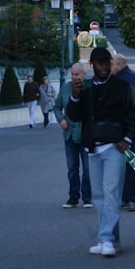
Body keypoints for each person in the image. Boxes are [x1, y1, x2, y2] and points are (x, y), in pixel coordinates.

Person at [66, 47, 135, 257]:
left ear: (110, 64)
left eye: (106, 62)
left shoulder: (123, 87)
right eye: (99, 63)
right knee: (99, 196)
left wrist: (127, 139)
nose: (103, 66)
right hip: (93, 147)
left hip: (114, 148)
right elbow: (73, 116)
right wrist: (74, 96)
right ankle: (111, 238)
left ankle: (106, 239)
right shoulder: (86, 90)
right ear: (92, 65)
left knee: (110, 194)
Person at [54, 63, 92, 209]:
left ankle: (87, 198)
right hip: (69, 134)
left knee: (88, 169)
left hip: (86, 134)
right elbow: (57, 106)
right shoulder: (65, 88)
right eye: (72, 74)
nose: (74, 77)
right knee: (72, 168)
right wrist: (61, 119)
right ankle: (73, 197)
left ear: (84, 74)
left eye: (77, 74)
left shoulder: (89, 88)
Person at [111, 53, 135, 212]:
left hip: (126, 129)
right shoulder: (133, 78)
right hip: (128, 128)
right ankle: (127, 198)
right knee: (127, 162)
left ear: (119, 65)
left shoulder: (127, 79)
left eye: (112, 64)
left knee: (128, 162)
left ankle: (130, 198)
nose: (109, 67)